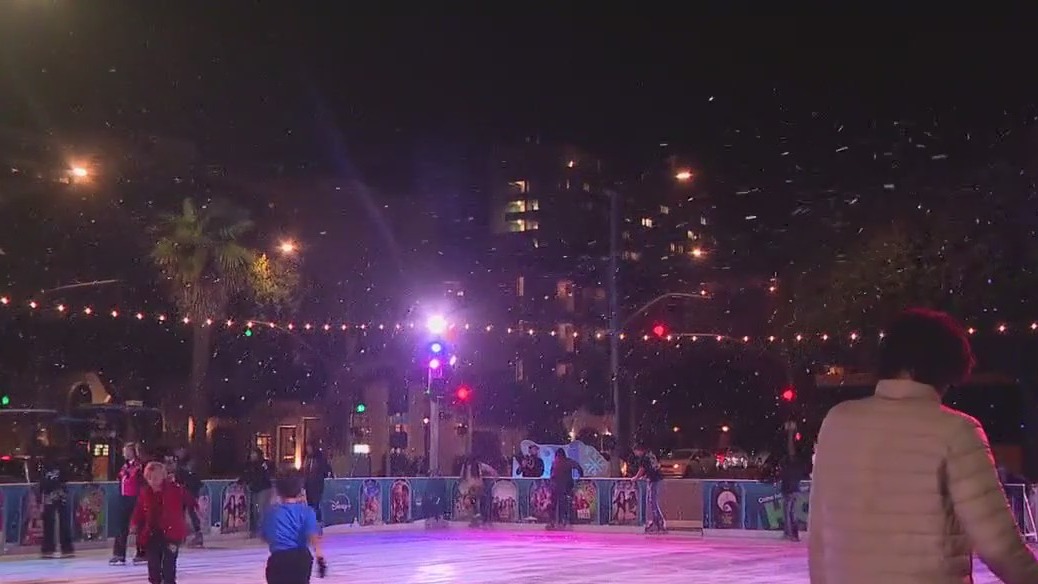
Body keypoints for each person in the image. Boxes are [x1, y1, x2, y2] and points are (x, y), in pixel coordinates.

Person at [809, 308, 1038, 583]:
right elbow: (999, 547)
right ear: (948, 367)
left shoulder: (837, 422)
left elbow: (820, 538)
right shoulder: (956, 431)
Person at [132, 461, 192, 584]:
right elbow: (139, 510)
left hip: (171, 534)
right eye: (149, 478)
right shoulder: (145, 493)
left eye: (155, 477)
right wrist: (134, 523)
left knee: (169, 567)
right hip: (152, 534)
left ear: (163, 476)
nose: (152, 480)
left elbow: (189, 499)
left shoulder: (174, 490)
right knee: (153, 567)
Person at [262, 472, 327, 584]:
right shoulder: (307, 511)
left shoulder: (271, 513)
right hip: (300, 559)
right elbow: (312, 535)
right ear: (300, 490)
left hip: (279, 558)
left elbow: (265, 535)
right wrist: (320, 557)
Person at [110, 442, 146, 565]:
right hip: (124, 499)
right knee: (121, 526)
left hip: (136, 499)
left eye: (126, 451)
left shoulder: (140, 467)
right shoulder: (124, 466)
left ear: (132, 452)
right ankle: (119, 554)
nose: (124, 453)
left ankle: (142, 553)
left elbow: (142, 484)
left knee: (140, 526)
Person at [39, 446, 74, 558]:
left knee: (59, 522)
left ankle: (60, 547)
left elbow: (65, 479)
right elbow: (42, 483)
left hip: (58, 495)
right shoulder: (46, 467)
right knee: (52, 522)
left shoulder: (57, 466)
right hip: (53, 496)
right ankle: (57, 547)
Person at [173, 448, 204, 547]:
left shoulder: (189, 464)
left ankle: (197, 535)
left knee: (191, 512)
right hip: (183, 491)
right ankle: (182, 535)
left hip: (190, 491)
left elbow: (192, 478)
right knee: (181, 512)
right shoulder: (179, 463)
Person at [240, 448, 274, 538]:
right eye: (251, 454)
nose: (252, 456)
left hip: (263, 488)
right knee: (255, 511)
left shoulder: (263, 464)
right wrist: (242, 481)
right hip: (254, 489)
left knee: (261, 510)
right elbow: (245, 475)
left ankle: (263, 530)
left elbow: (266, 475)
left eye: (254, 454)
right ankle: (256, 529)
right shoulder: (249, 465)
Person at [631, 444, 666, 533]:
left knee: (652, 500)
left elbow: (642, 469)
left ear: (639, 450)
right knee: (652, 500)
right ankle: (658, 521)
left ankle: (658, 522)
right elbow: (652, 467)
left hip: (654, 480)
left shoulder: (644, 458)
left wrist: (636, 477)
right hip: (656, 478)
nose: (635, 454)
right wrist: (646, 476)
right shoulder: (651, 455)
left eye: (635, 452)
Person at [547, 449, 583, 530]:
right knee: (564, 505)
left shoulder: (556, 463)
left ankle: (553, 522)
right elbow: (579, 468)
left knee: (555, 505)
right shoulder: (568, 462)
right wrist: (579, 478)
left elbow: (551, 475)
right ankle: (563, 522)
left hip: (557, 487)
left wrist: (551, 484)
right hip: (566, 487)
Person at [778, 449, 806, 542]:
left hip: (789, 492)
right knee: (792, 514)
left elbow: (785, 480)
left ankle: (789, 534)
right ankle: (794, 534)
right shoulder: (797, 470)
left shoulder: (786, 470)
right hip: (795, 491)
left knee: (788, 514)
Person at [302, 444, 333, 524]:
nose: (308, 449)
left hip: (317, 485)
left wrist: (329, 476)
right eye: (307, 448)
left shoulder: (320, 459)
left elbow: (326, 469)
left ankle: (316, 520)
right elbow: (305, 471)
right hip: (309, 485)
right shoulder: (307, 459)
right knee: (310, 504)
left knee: (316, 504)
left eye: (309, 448)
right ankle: (312, 520)